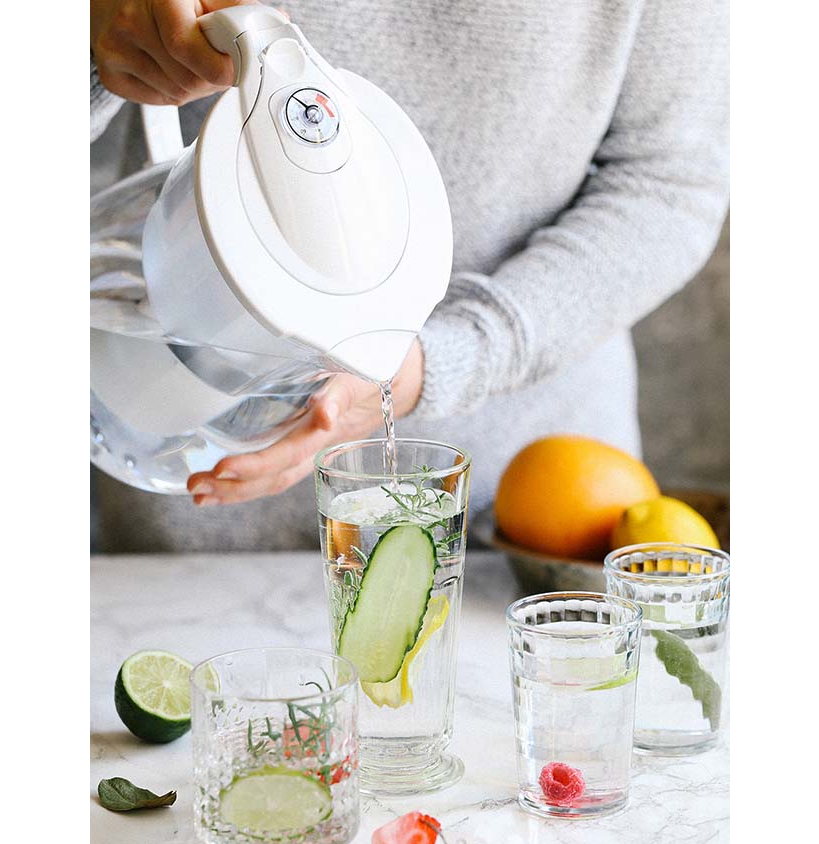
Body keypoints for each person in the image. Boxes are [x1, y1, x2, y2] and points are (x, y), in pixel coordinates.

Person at [91, 0, 729, 552]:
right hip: (171, 496)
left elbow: (671, 182)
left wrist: (446, 355)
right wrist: (93, 46)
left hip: (531, 530)